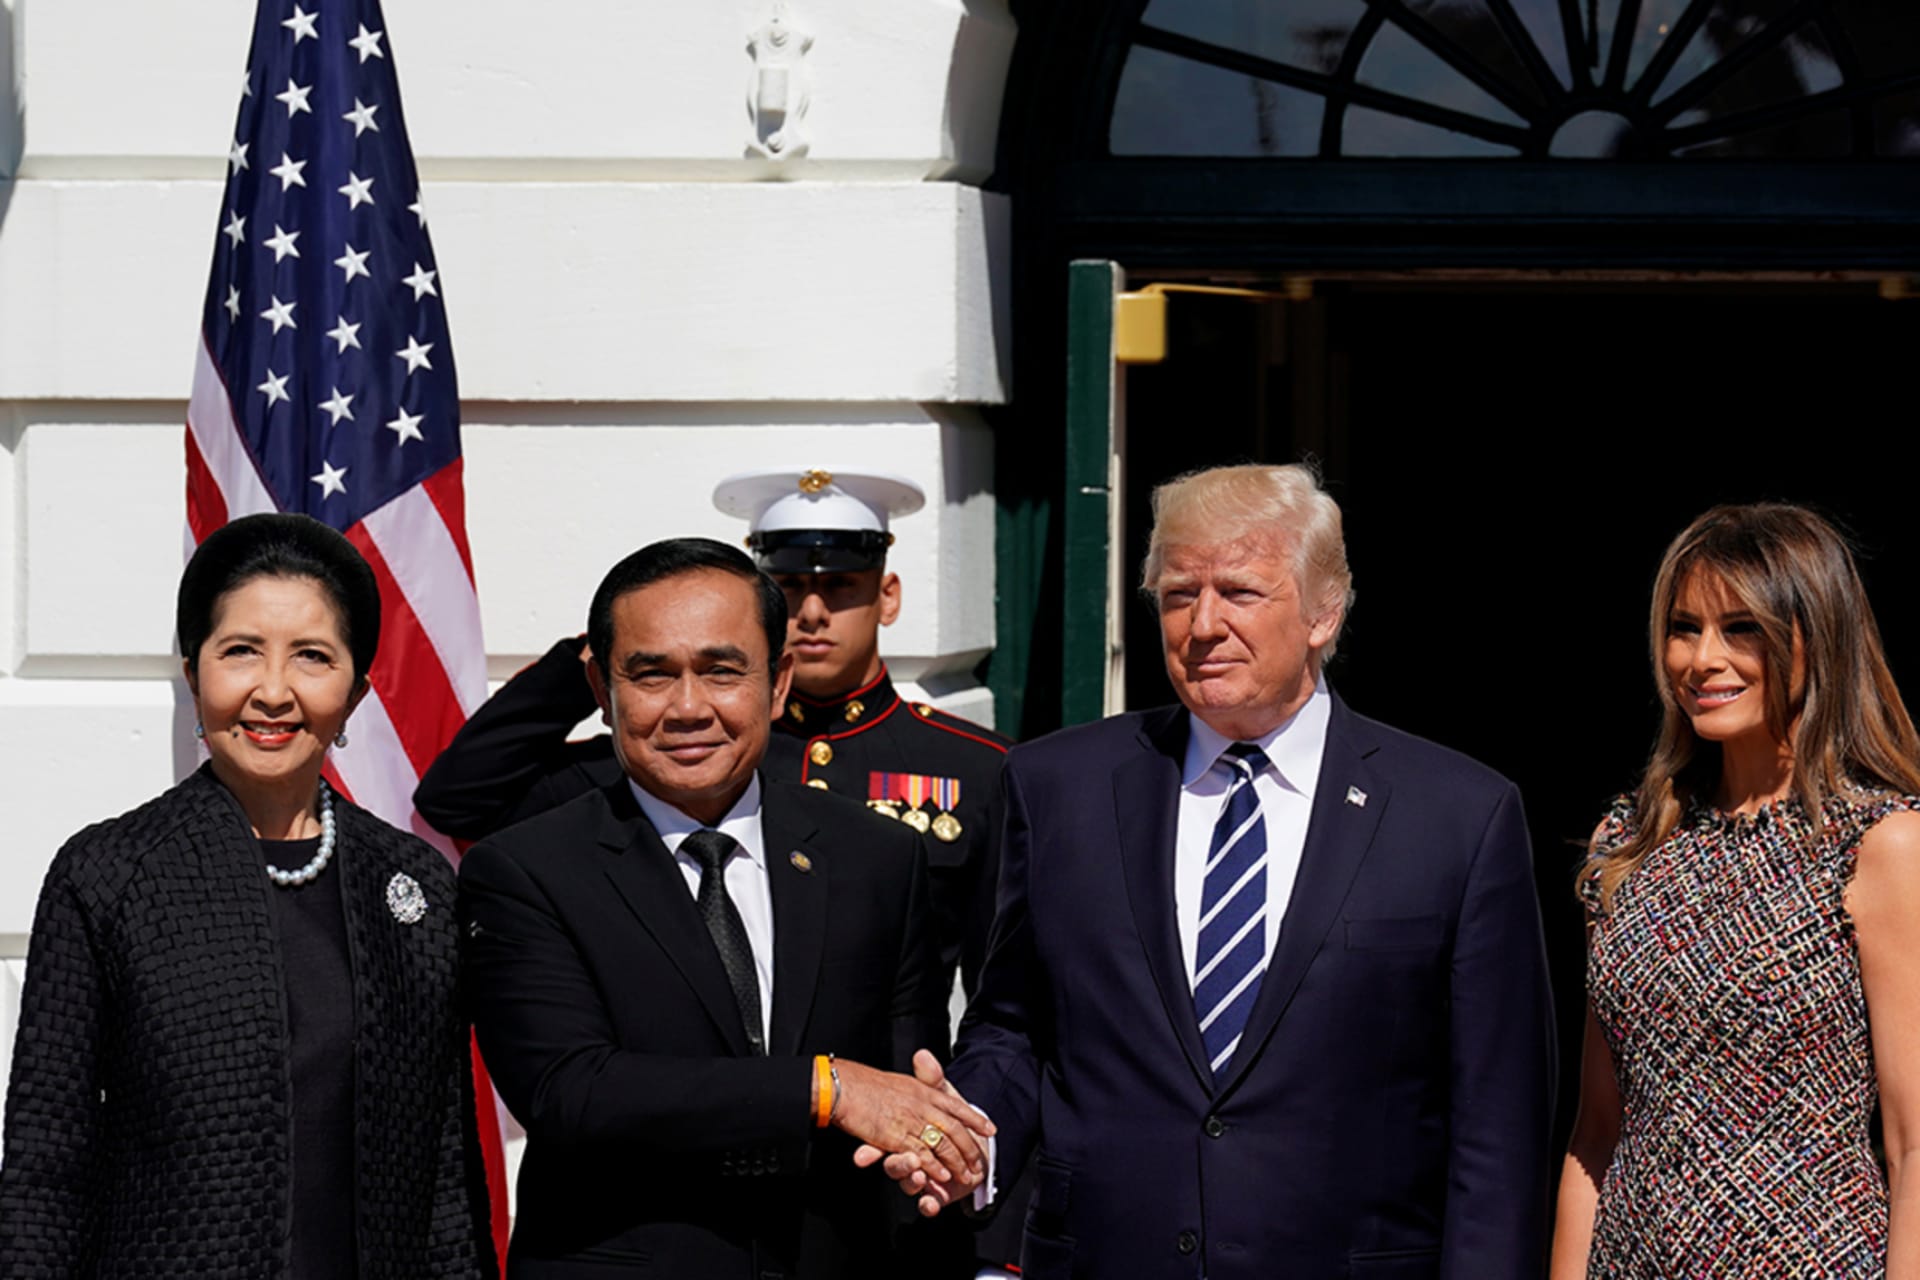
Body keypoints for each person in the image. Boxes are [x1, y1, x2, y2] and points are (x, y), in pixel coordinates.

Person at [879, 463, 1557, 1279]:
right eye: (1176, 595)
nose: (1201, 625)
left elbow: (1500, 1127)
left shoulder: (1457, 815)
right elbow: (1015, 1027)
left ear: (1323, 611)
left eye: (1239, 592)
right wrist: (969, 1132)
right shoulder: (1060, 787)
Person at [457, 537, 989, 1279]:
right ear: (601, 687)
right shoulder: (525, 870)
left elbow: (908, 1087)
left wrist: (941, 1158)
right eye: (650, 675)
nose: (687, 708)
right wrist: (823, 1087)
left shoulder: (874, 857)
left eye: (721, 671)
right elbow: (569, 1092)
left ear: (777, 684)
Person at [0, 513, 495, 1279]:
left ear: (357, 691)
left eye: (312, 658)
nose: (273, 692)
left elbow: (445, 1173)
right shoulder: (107, 874)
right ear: (195, 673)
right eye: (240, 653)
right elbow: (45, 1164)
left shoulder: (415, 885)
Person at [415, 468, 1009, 994]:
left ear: (887, 597)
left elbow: (995, 984)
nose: (811, 614)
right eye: (790, 589)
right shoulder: (685, 749)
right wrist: (612, 648)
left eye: (841, 588)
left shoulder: (976, 767)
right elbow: (458, 798)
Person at [1552, 504, 1920, 1280]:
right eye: (1684, 628)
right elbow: (1595, 1132)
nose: (1700, 660)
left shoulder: (1881, 846)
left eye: (1740, 628)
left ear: (1814, 637)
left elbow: (1913, 1141)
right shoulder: (1629, 845)